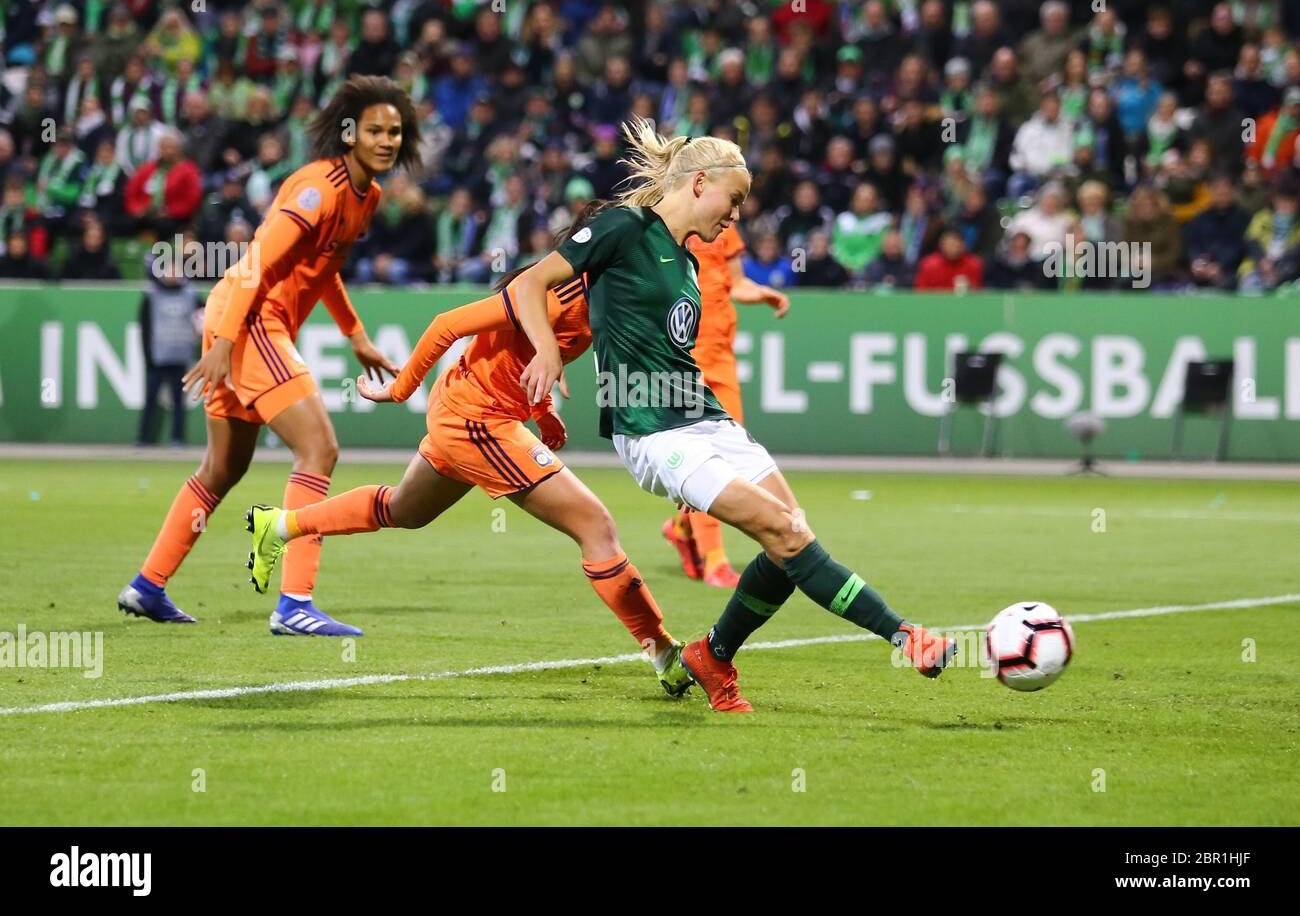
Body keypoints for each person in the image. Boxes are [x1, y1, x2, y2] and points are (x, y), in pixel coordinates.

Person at [509, 120, 956, 712]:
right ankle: (905, 636)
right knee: (788, 533)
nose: (737, 216)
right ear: (699, 184)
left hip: (706, 419)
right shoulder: (623, 228)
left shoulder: (690, 264)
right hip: (654, 430)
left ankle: (713, 655)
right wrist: (545, 352)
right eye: (735, 200)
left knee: (789, 537)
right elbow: (529, 283)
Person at [242, 209, 695, 697]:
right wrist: (399, 390)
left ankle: (280, 525)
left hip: (470, 410)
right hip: (478, 421)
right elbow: (447, 324)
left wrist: (541, 409)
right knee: (596, 526)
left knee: (402, 509)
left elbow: (524, 354)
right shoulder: (555, 291)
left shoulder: (598, 295)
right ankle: (664, 652)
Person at [116, 76, 415, 634]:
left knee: (223, 467)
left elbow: (324, 269)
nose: (387, 139)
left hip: (247, 324)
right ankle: (294, 605)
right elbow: (253, 261)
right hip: (250, 321)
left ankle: (148, 585)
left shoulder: (366, 197)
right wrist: (224, 345)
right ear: (349, 133)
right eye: (375, 129)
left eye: (395, 131)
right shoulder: (316, 189)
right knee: (319, 448)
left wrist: (355, 335)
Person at [661, 215, 788, 590]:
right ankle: (714, 558)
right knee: (704, 460)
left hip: (721, 358)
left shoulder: (724, 227)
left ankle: (683, 528)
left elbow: (737, 282)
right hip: (683, 359)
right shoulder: (667, 225)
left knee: (731, 458)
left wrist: (762, 293)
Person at [137, 256, 199, 445]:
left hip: (180, 356)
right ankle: (144, 438)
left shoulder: (191, 294)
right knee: (150, 400)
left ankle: (178, 437)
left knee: (179, 402)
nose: (173, 274)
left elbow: (204, 315)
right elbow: (145, 329)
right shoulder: (151, 295)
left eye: (176, 270)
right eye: (169, 270)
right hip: (157, 358)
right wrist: (148, 357)